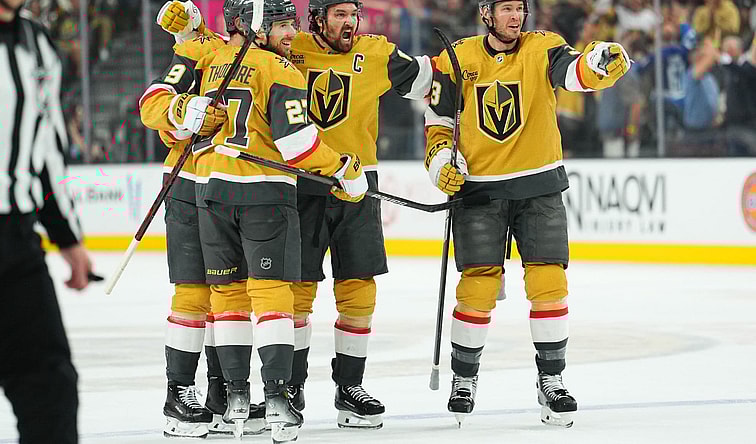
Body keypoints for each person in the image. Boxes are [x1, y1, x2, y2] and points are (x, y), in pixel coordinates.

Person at [160, 0, 434, 428]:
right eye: (339, 14)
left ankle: (349, 387)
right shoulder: (287, 48)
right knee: (294, 291)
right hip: (300, 179)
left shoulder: (378, 53)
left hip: (356, 179)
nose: (350, 23)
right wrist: (190, 36)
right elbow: (229, 47)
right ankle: (288, 388)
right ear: (318, 19)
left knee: (359, 289)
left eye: (354, 14)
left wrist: (448, 135)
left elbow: (435, 82)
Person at [425, 0, 630, 427]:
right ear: (486, 14)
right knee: (477, 288)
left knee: (548, 281)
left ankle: (551, 380)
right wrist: (440, 160)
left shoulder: (543, 47)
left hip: (539, 185)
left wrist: (598, 62)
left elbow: (573, 73)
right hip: (480, 190)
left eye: (520, 9)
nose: (515, 17)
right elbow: (439, 120)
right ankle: (464, 379)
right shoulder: (459, 56)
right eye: (506, 10)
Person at [0, 0, 95, 441]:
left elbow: (45, 153)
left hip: (15, 240)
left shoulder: (38, 45)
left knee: (51, 383)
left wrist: (67, 237)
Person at [140, 2, 266, 437]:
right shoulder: (198, 49)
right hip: (191, 183)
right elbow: (153, 101)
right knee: (195, 289)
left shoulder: (272, 55)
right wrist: (181, 113)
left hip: (236, 187)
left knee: (231, 291)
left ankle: (220, 393)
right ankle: (179, 395)